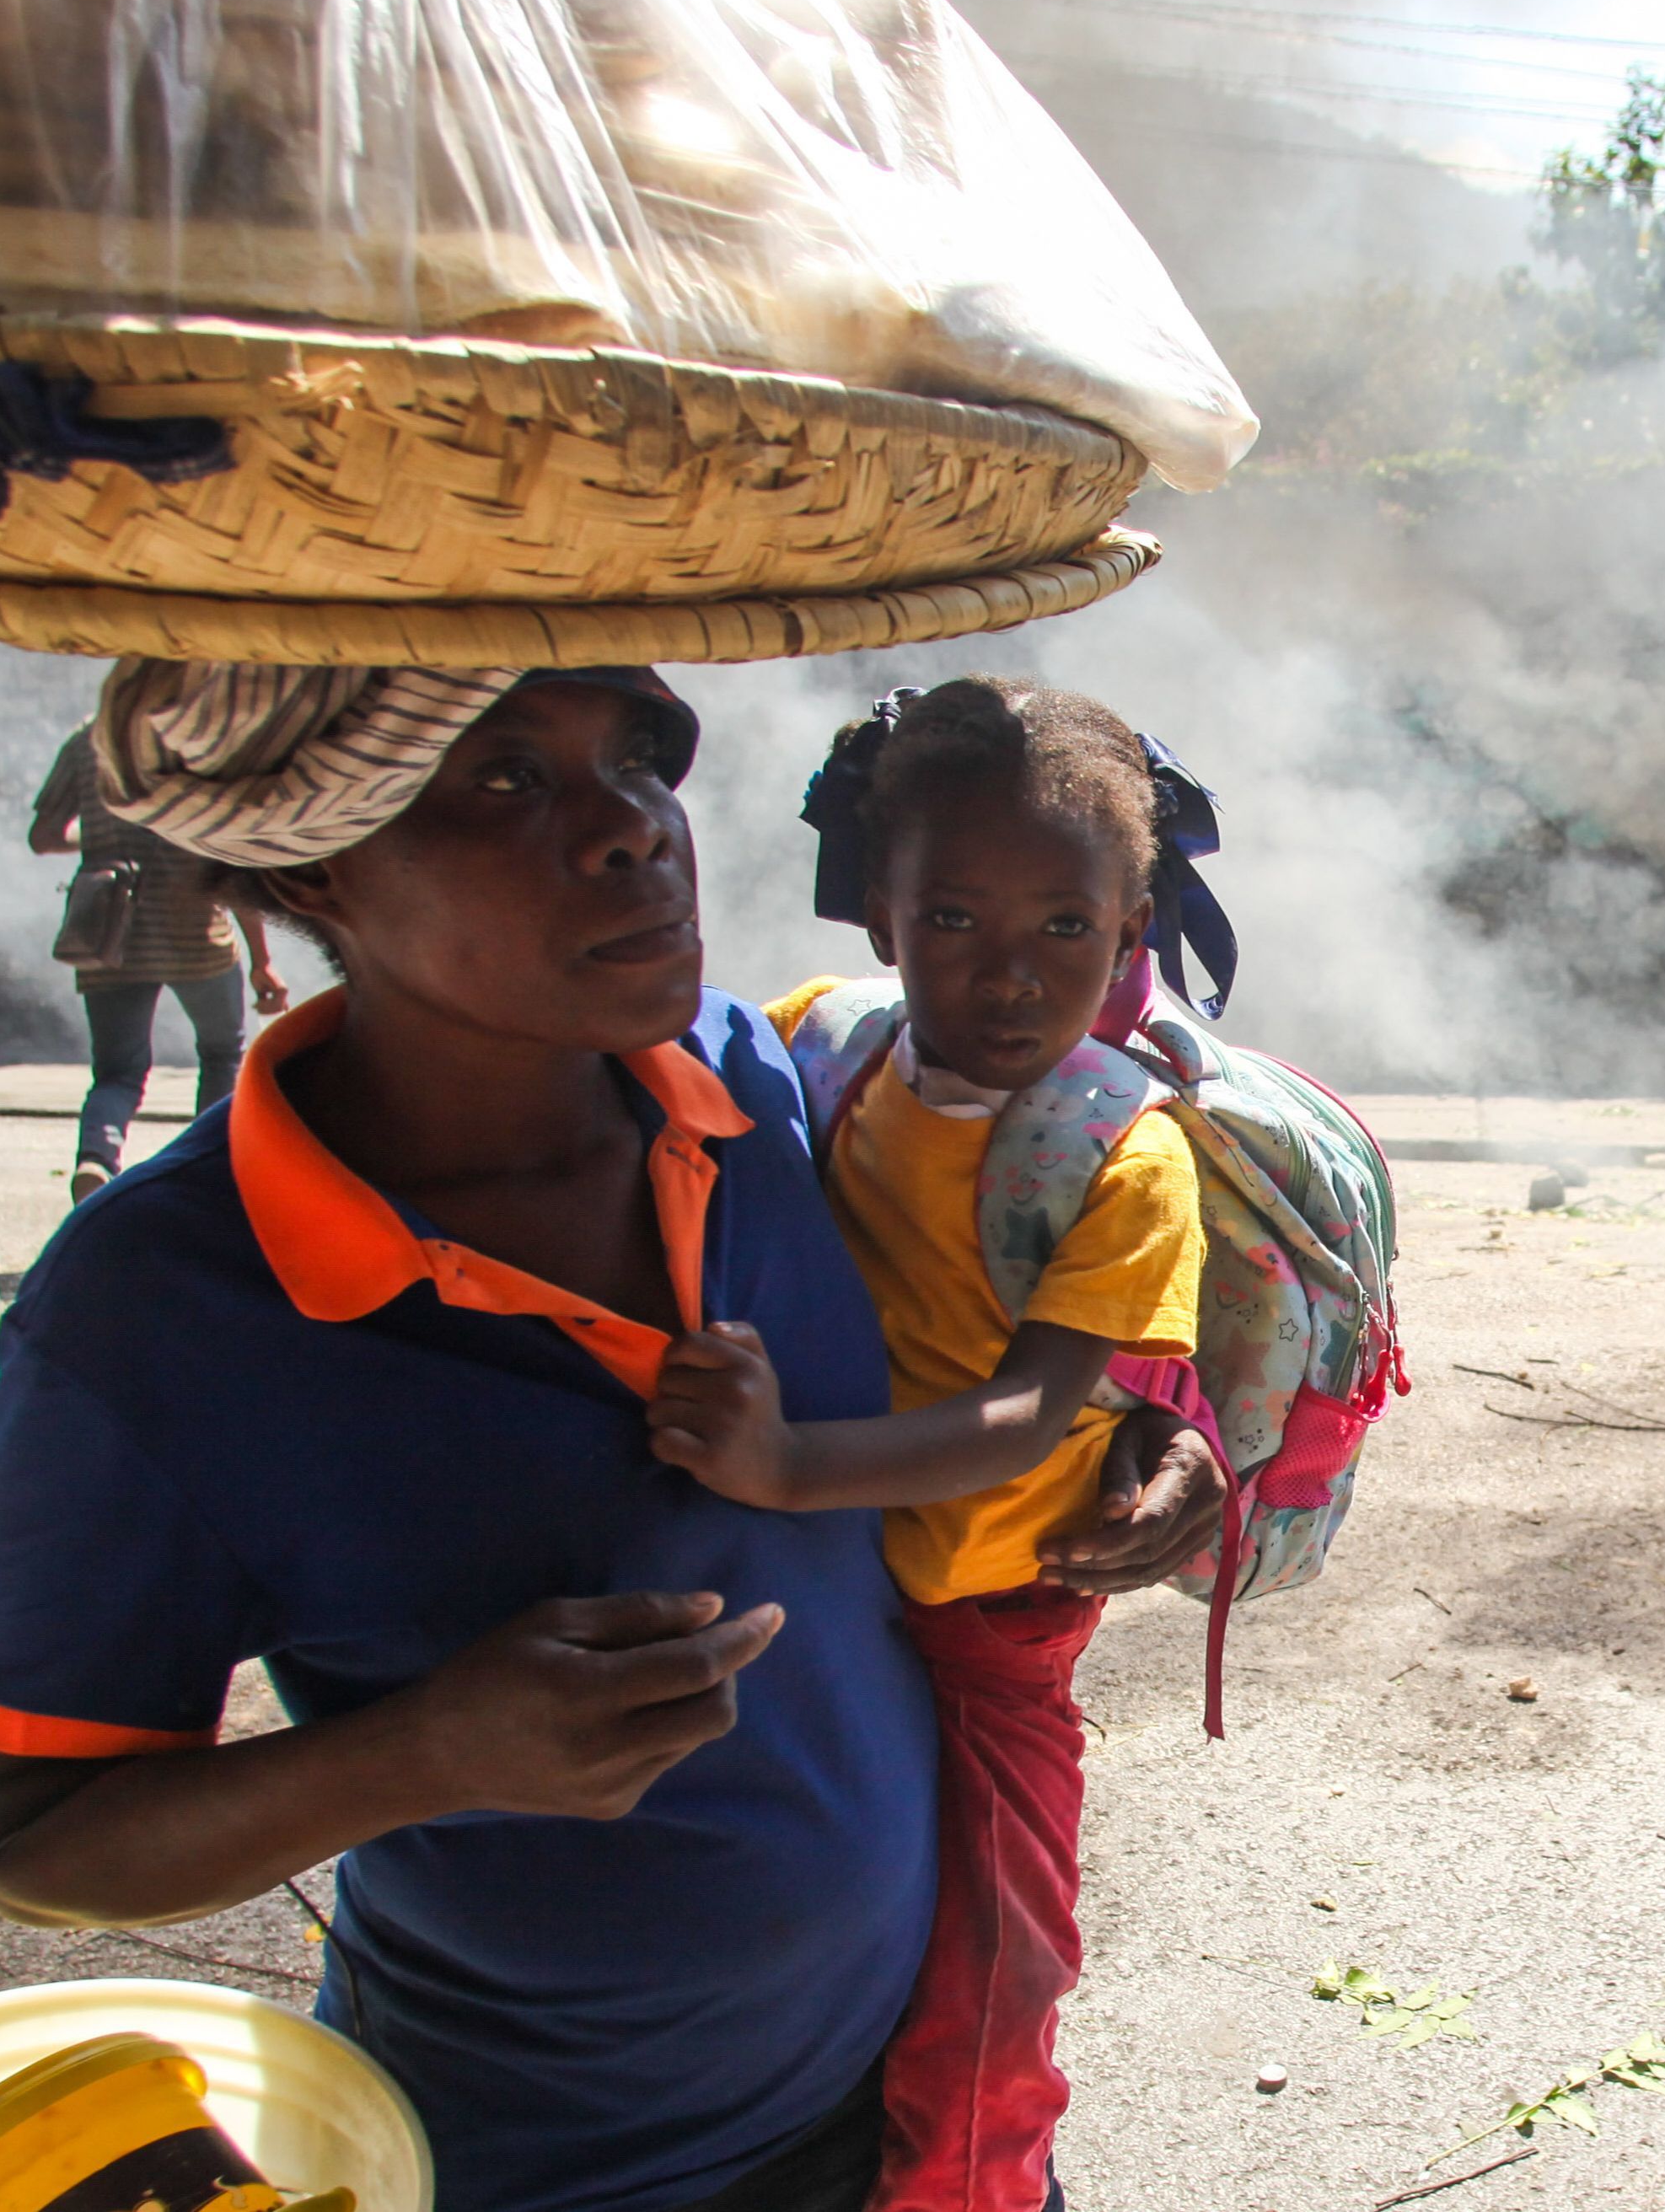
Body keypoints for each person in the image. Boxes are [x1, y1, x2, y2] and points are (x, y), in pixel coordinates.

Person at [0, 659, 1232, 2212]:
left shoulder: (772, 1091)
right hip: (550, 2165)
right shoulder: (153, 1313)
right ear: (313, 855)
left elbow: (982, 1307)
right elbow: (34, 1839)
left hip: (912, 2101)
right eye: (501, 777)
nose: (632, 826)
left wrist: (1145, 1432)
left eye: (633, 754)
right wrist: (421, 1755)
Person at [647, 679, 1202, 2212]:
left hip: (985, 1618)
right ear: (877, 916)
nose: (1012, 980)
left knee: (996, 1962)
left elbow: (1034, 1409)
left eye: (1063, 932)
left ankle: (974, 2190)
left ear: (1127, 924)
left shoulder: (1119, 1153)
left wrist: (786, 1469)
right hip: (829, 1581)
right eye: (955, 922)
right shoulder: (824, 1046)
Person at [28, 719, 287, 1200]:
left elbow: (44, 837)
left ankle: (97, 1159)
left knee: (118, 1072)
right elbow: (232, 859)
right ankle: (210, 1170)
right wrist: (261, 961)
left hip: (110, 934)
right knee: (221, 1054)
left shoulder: (88, 740)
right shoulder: (200, 731)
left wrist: (104, 841)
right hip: (197, 932)